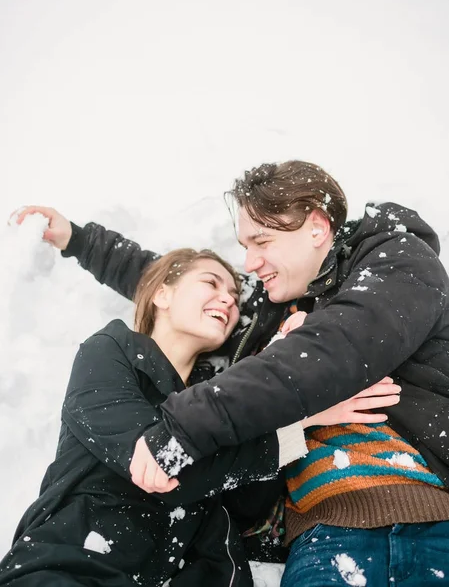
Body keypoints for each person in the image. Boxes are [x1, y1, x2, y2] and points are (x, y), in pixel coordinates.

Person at [15, 159, 449, 585]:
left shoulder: (392, 258)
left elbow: (332, 348)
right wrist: (79, 240)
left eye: (261, 241)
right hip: (322, 534)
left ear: (316, 227)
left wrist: (183, 427)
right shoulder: (264, 317)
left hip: (429, 513)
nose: (249, 265)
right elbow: (174, 284)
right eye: (244, 248)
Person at [0, 243, 398, 587]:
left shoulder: (221, 400)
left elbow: (246, 505)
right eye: (210, 283)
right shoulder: (112, 351)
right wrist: (301, 420)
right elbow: (156, 464)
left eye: (232, 294)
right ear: (162, 294)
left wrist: (286, 384)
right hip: (76, 565)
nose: (227, 298)